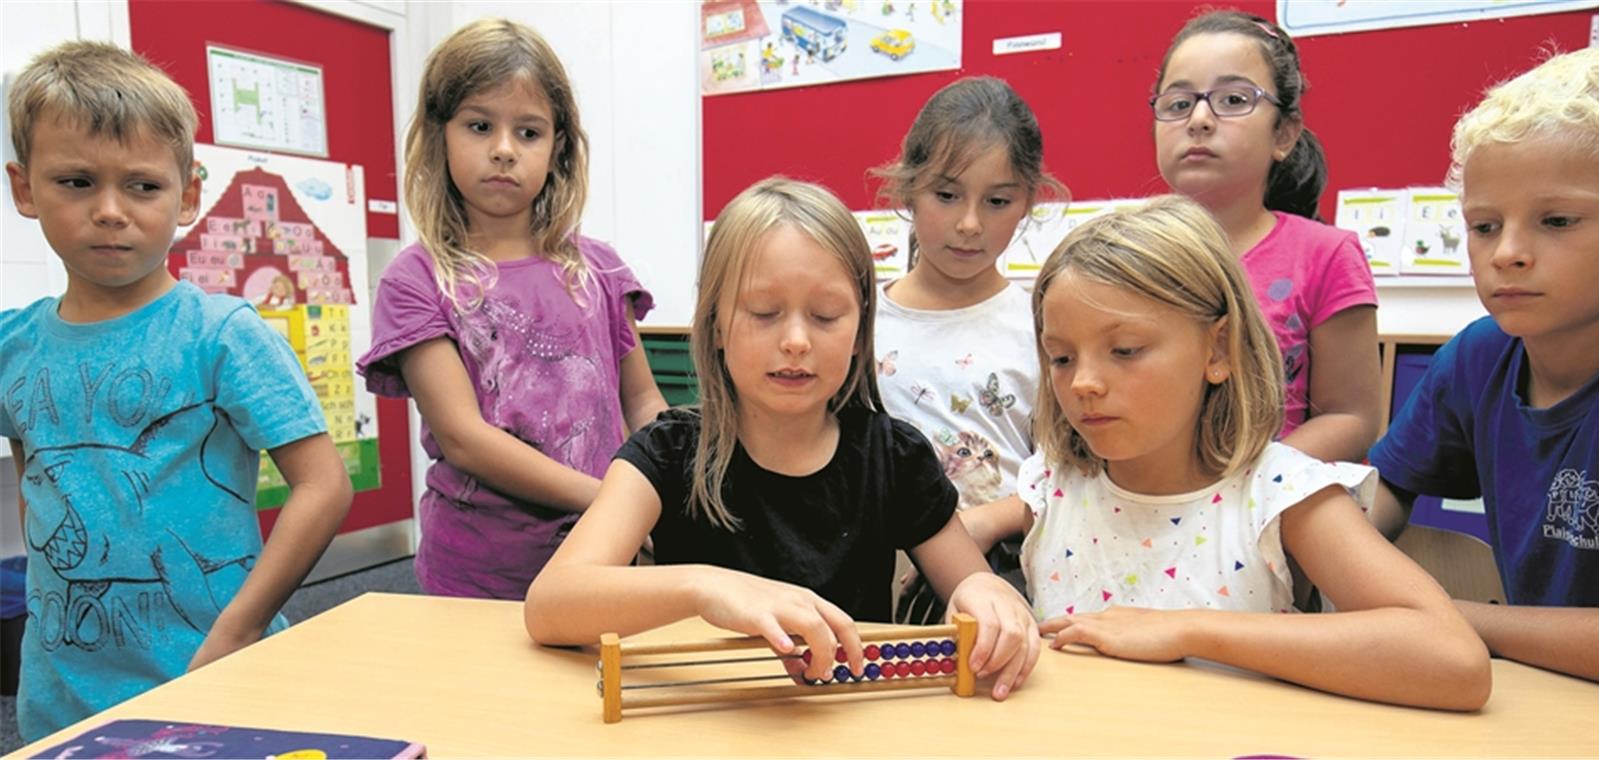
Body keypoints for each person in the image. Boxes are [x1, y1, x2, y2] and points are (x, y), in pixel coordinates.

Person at [961, 197, 1490, 711]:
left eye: (1125, 351)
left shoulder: (1281, 496)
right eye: (1060, 357)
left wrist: (1186, 630)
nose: (1084, 383)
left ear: (1217, 350)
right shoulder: (1049, 490)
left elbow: (1454, 659)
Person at [523, 178, 1038, 701]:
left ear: (861, 332)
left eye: (825, 316)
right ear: (717, 324)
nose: (795, 341)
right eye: (765, 313)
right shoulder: (669, 452)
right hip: (703, 721)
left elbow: (969, 585)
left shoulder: (894, 457)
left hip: (845, 723)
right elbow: (550, 603)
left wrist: (985, 593)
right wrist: (706, 586)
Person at [0, 41, 351, 741]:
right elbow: (35, 481)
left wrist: (240, 627)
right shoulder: (14, 343)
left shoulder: (221, 334)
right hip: (59, 696)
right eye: (75, 182)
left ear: (187, 194)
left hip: (213, 675)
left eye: (142, 185)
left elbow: (324, 486)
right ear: (24, 189)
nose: (109, 211)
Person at [1369, 39, 1599, 701]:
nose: (1505, 254)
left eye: (1555, 221)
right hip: (1559, 694)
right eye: (1481, 226)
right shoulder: (1481, 353)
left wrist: (1452, 618)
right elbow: (1387, 488)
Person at [357, 19, 667, 600]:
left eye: (528, 132)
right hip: (480, 577)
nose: (503, 149)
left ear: (558, 149)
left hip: (605, 562)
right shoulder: (416, 280)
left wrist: (671, 489)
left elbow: (642, 398)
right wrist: (618, 500)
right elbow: (465, 438)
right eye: (479, 126)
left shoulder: (598, 268)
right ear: (439, 136)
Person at [868, 76, 1067, 624]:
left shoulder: (1044, 323)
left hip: (1000, 570)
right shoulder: (858, 321)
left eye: (998, 201)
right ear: (908, 189)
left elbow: (1069, 471)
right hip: (876, 575)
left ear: (1028, 201)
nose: (970, 223)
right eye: (947, 195)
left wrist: (982, 524)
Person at [1151, 10, 1379, 463]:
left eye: (1233, 100)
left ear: (1285, 133)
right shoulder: (1126, 252)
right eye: (1178, 104)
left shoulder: (1326, 255)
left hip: (1273, 507)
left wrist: (1243, 486)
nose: (1199, 119)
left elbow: (1353, 417)